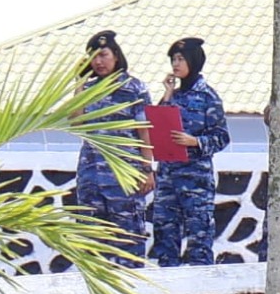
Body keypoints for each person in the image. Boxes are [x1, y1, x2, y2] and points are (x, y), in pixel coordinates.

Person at [65, 30, 155, 259]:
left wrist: (147, 170)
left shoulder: (133, 88)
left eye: (103, 55)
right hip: (91, 176)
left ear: (116, 55)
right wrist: (80, 82)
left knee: (129, 240)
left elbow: (145, 131)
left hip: (124, 175)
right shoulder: (88, 89)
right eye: (93, 57)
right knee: (92, 245)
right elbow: (75, 122)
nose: (98, 61)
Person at [147, 36, 231, 267]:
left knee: (199, 239)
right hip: (168, 178)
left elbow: (222, 137)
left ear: (193, 61)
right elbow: (157, 127)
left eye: (181, 59)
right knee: (165, 237)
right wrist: (167, 94)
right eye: (173, 59)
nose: (175, 64)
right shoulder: (172, 95)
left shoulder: (208, 96)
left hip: (196, 180)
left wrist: (195, 141)